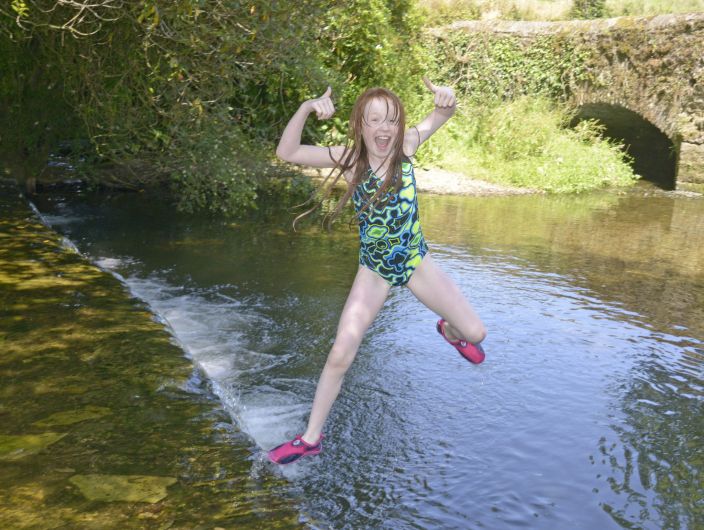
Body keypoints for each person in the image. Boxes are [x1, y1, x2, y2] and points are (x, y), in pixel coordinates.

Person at [268, 78, 487, 465]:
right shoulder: (350, 158)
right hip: (375, 270)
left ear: (398, 126)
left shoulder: (408, 145)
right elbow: (288, 152)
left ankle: (448, 330)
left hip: (416, 261)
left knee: (476, 334)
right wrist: (305, 107)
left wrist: (446, 99)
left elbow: (444, 112)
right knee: (340, 352)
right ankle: (310, 438)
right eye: (375, 121)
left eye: (392, 120)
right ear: (361, 126)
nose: (384, 129)